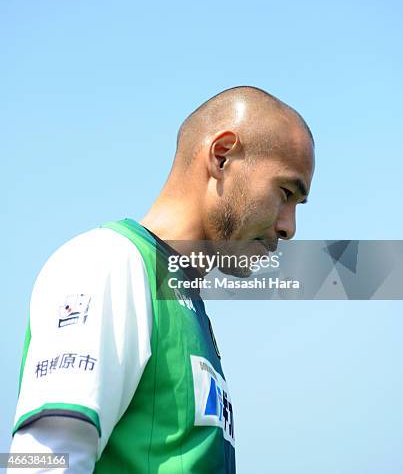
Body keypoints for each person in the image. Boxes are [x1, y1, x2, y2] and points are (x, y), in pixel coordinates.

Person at [8, 85, 315, 473]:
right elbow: (41, 460)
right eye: (285, 193)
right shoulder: (109, 262)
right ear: (222, 157)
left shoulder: (184, 300)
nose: (289, 228)